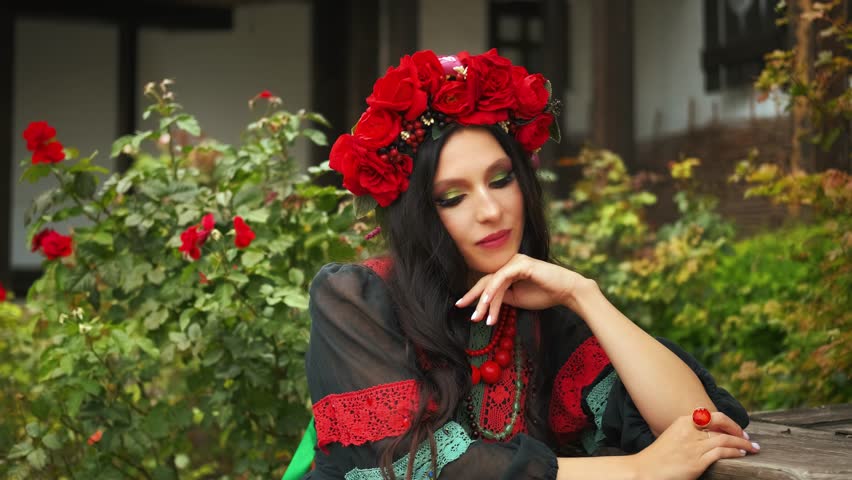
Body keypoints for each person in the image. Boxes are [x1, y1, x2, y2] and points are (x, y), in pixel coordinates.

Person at [296, 49, 759, 480]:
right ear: (417, 213)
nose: (491, 211)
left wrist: (584, 294)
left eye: (501, 180)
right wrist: (636, 470)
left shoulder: (543, 313)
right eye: (452, 197)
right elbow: (422, 466)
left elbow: (697, 426)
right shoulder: (355, 299)